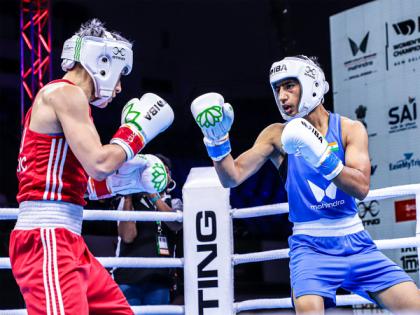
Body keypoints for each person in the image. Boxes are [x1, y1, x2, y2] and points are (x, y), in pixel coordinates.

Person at [191, 55, 420, 314]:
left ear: (311, 83)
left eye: (289, 85)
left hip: (356, 243)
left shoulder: (349, 129)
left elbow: (361, 187)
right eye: (277, 89)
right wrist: (217, 141)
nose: (282, 96)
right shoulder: (277, 135)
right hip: (310, 247)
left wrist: (321, 155)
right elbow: (231, 177)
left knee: (414, 306)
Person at [11, 19, 174, 315]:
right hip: (48, 238)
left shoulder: (68, 102)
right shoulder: (65, 94)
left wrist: (128, 180)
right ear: (103, 62)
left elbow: (80, 182)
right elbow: (100, 163)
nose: (120, 87)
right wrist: (137, 130)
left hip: (67, 239)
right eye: (120, 75)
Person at [113, 154, 182, 306]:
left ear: (169, 176)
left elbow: (175, 225)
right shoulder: (128, 202)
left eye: (162, 171)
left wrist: (153, 195)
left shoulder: (174, 202)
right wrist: (128, 196)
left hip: (160, 278)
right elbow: (128, 236)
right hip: (128, 277)